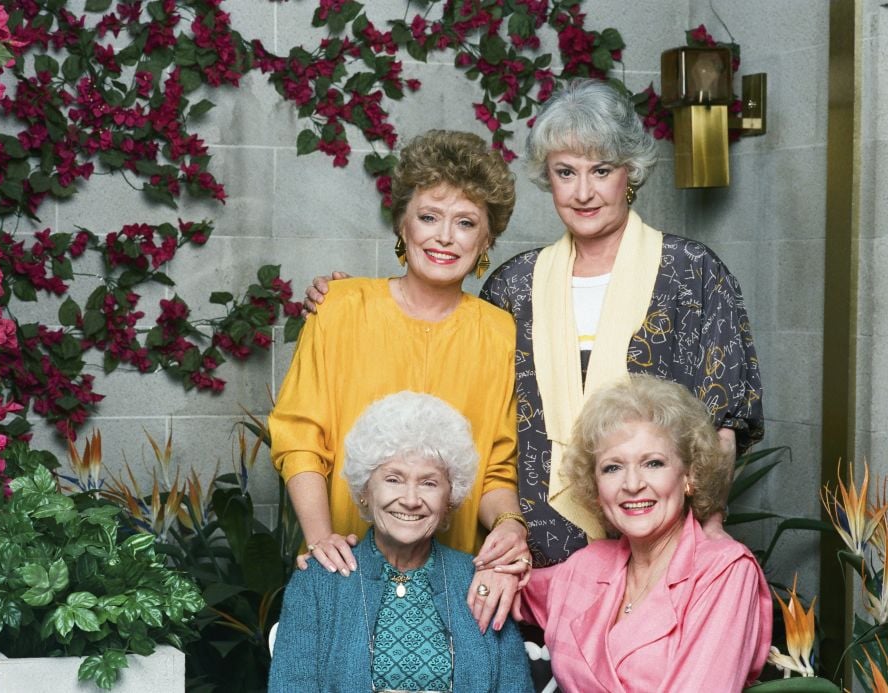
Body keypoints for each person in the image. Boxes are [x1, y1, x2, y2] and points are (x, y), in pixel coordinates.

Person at [305, 78, 763, 568]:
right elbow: (464, 400)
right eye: (565, 172)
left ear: (629, 171)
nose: (583, 192)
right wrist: (346, 303)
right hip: (534, 557)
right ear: (548, 178)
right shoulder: (514, 286)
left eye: (601, 170)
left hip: (662, 547)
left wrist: (709, 526)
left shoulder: (691, 273)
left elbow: (723, 422)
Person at [269, 130, 531, 632]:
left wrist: (509, 525)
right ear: (402, 224)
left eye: (465, 223)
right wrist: (322, 542)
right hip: (345, 569)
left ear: (486, 241)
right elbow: (299, 439)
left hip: (455, 585)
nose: (444, 237)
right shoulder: (340, 308)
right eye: (429, 217)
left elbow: (496, 468)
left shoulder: (500, 333)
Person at [515, 375, 772, 691]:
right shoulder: (586, 566)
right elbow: (510, 589)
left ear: (689, 476)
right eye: (612, 468)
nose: (633, 484)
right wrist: (498, 559)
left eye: (653, 463)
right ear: (596, 487)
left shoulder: (724, 571)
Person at [269, 392, 534, 692]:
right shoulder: (318, 582)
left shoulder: (481, 582)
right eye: (393, 479)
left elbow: (514, 686)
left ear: (449, 497)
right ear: (365, 490)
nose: (410, 500)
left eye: (429, 483)